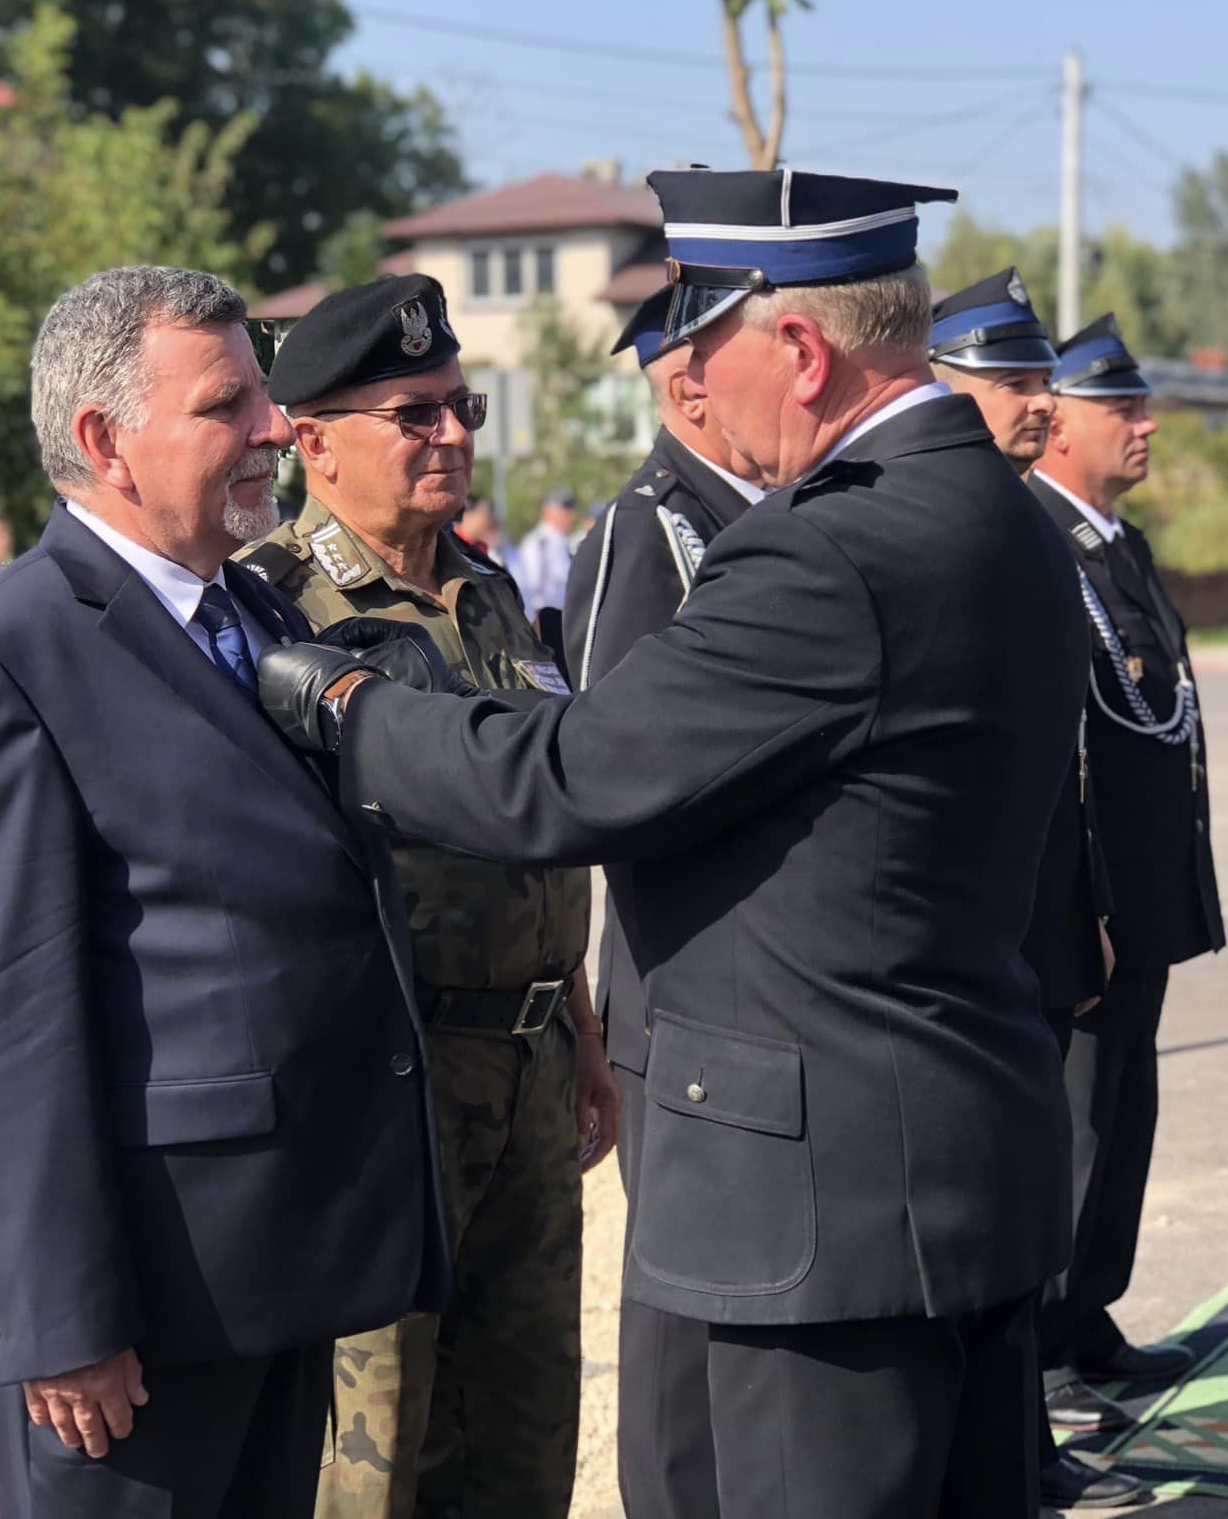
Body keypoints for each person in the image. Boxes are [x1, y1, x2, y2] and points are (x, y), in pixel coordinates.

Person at [262, 167, 1090, 1518]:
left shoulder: (828, 550)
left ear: (803, 350)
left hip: (825, 1209)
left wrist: (351, 706)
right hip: (954, 1165)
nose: (689, 389)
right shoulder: (1000, 516)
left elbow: (576, 776)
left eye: (707, 352)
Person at [0, 265, 449, 1519]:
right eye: (225, 405)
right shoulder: (5, 661)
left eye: (262, 397)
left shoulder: (250, 610)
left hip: (276, 1261)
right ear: (105, 442)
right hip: (139, 1306)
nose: (273, 429)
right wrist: (60, 1317)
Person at [239, 272, 618, 1519]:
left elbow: (536, 831)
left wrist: (580, 1030)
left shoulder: (486, 591)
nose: (452, 434)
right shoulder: (265, 606)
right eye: (415, 414)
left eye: (463, 407)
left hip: (529, 1062)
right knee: (374, 1447)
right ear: (311, 442)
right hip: (382, 1083)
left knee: (526, 1422)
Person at [930, 272, 1149, 1512]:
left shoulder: (1017, 525)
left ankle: (1024, 1436)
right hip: (972, 931)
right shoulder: (949, 523)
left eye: (1038, 380)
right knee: (997, 1194)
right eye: (1013, 381)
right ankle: (1015, 1434)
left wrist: (1090, 904)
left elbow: (1068, 753)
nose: (1039, 401)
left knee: (1033, 1184)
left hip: (1039, 912)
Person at [560, 283, 765, 1519]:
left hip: (749, 983)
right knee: (683, 1311)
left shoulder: (761, 516)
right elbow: (610, 773)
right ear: (688, 387)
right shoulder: (649, 532)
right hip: (679, 979)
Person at [1028, 315, 1225, 1430]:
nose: (1144, 427)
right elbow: (1060, 749)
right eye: (1123, 410)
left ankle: (1090, 1304)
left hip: (1145, 894)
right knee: (1073, 1119)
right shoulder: (1038, 540)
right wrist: (1088, 901)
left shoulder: (1116, 543)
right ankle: (1043, 1339)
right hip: (1092, 900)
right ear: (1058, 424)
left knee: (1123, 1109)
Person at [516, 489, 578, 621]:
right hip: (544, 618)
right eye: (564, 510)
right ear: (547, 511)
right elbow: (531, 586)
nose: (571, 516)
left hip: (564, 616)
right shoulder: (538, 543)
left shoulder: (563, 541)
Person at [452, 494, 512, 572]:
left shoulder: (487, 550)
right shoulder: (450, 545)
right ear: (467, 515)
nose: (490, 521)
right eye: (485, 515)